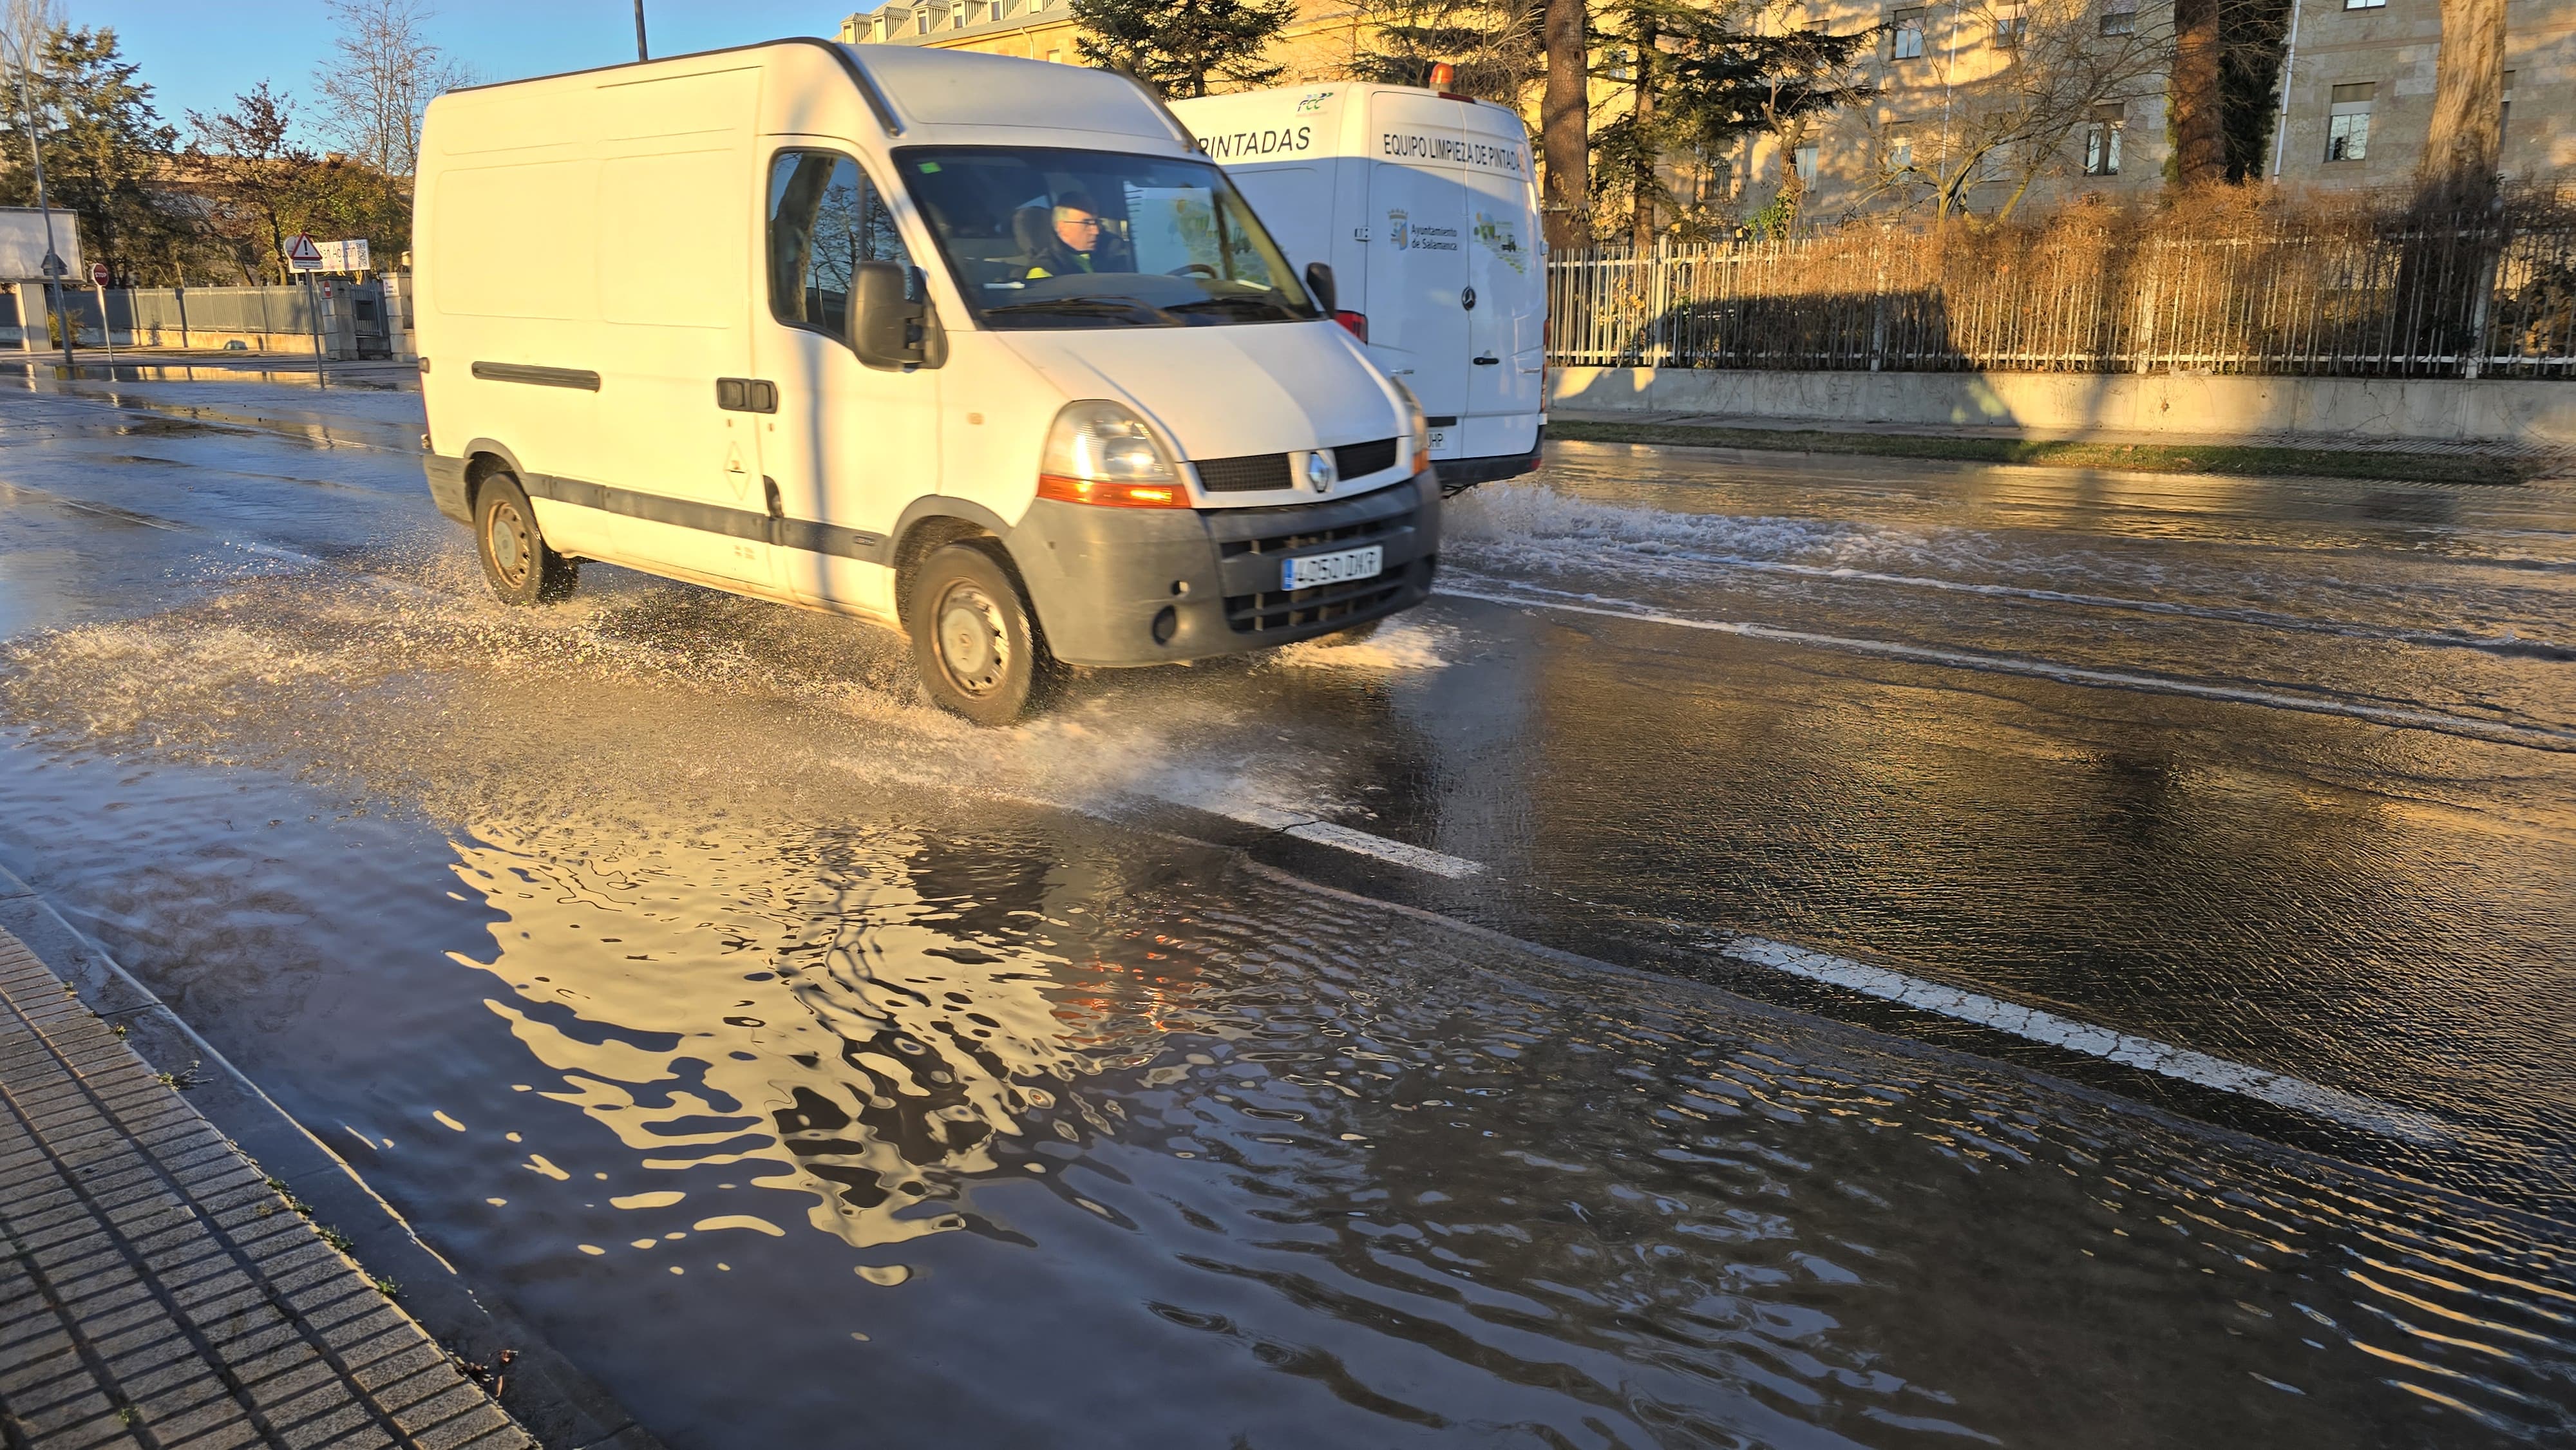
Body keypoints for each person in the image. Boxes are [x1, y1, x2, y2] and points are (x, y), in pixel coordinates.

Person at [1025, 191, 1130, 279]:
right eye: (1087, 223)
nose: (1096, 231)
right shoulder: (1044, 273)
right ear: (1062, 228)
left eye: (1096, 222)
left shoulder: (1111, 251)